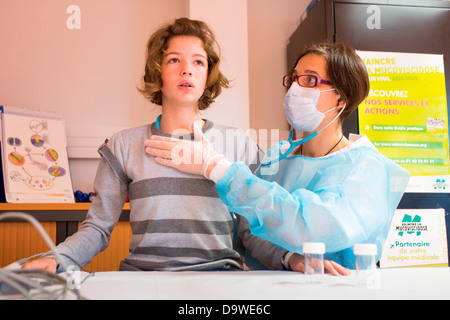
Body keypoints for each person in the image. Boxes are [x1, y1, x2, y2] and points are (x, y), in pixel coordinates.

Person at [22, 17, 262, 272]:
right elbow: (97, 228)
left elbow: (254, 232)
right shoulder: (123, 146)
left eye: (198, 62)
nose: (186, 70)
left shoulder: (239, 145)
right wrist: (55, 258)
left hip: (218, 278)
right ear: (157, 71)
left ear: (207, 75)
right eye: (174, 60)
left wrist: (291, 259)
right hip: (143, 280)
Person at [145, 41, 411, 269]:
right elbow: (252, 230)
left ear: (341, 97)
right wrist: (288, 258)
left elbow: (312, 228)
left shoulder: (366, 168)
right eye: (294, 78)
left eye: (309, 80)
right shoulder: (277, 158)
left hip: (338, 290)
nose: (295, 89)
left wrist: (218, 168)